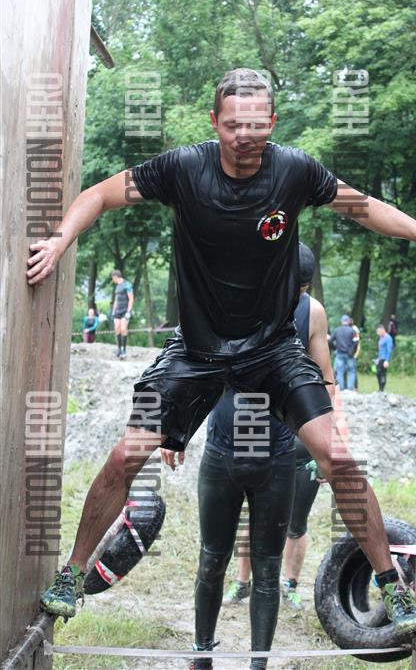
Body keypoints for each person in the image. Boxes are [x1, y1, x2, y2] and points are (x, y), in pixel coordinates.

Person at [29, 68, 416, 636]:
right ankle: (72, 573)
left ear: (272, 122)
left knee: (339, 459)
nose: (244, 137)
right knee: (126, 455)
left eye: (256, 126)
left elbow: (363, 206)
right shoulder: (183, 168)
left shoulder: (294, 170)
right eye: (233, 125)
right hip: (196, 348)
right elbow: (100, 195)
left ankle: (391, 586)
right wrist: (60, 239)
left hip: (273, 348)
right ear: (215, 122)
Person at [163, 244, 332, 669]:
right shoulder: (226, 300)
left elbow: (325, 381)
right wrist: (172, 430)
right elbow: (189, 366)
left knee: (267, 569)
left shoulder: (311, 313)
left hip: (277, 454)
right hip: (222, 451)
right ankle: (202, 656)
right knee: (211, 559)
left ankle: (259, 664)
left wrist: (331, 443)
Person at [328, 315, 358, 391]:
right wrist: (352, 351)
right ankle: (350, 389)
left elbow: (330, 341)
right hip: (349, 354)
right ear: (348, 322)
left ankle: (341, 389)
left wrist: (335, 348)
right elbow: (356, 342)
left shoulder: (337, 330)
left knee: (339, 371)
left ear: (341, 322)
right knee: (351, 371)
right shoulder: (352, 331)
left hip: (339, 354)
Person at [111, 269, 134, 359]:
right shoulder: (117, 287)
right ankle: (119, 349)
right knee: (117, 329)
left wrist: (129, 311)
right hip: (117, 311)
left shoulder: (127, 285)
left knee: (123, 329)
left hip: (125, 311)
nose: (113, 280)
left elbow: (131, 299)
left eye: (113, 278)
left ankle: (123, 350)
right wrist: (113, 311)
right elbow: (116, 300)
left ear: (115, 277)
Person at [376, 324, 394, 392]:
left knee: (382, 373)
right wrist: (378, 358)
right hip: (380, 358)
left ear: (383, 330)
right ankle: (380, 388)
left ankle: (382, 389)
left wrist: (387, 360)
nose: (378, 333)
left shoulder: (388, 338)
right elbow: (380, 349)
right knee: (378, 373)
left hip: (384, 359)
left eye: (378, 331)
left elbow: (389, 350)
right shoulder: (381, 338)